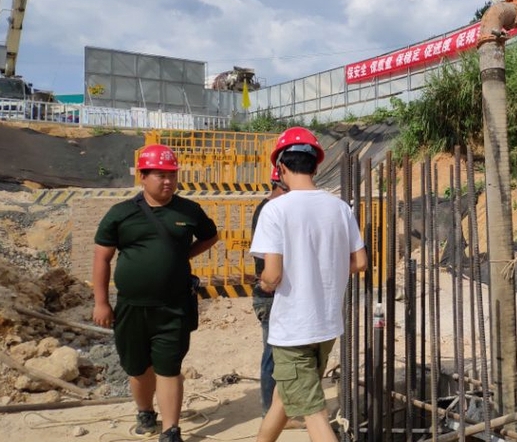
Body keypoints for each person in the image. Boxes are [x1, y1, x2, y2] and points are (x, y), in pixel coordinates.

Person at [92, 144, 219, 442]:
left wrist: (180, 256)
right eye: (160, 176)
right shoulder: (121, 214)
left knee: (169, 366)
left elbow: (210, 236)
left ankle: (171, 429)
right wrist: (100, 302)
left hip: (174, 306)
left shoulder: (188, 210)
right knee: (138, 367)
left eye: (172, 176)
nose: (168, 182)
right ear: (143, 177)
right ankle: (145, 411)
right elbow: (102, 258)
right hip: (131, 307)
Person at [250, 127, 368, 442]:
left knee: (313, 412)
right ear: (316, 166)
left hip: (293, 330)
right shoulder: (340, 208)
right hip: (326, 326)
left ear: (281, 168)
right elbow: (360, 262)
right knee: (286, 396)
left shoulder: (275, 209)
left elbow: (272, 275)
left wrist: (263, 282)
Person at [250, 165, 300, 428]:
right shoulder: (270, 211)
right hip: (270, 295)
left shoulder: (275, 209)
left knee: (282, 354)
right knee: (273, 354)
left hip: (276, 293)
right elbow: (270, 270)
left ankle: (280, 409)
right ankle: (272, 412)